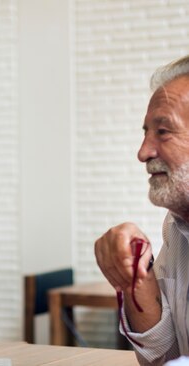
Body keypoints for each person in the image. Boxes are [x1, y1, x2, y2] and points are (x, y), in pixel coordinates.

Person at [95, 55, 189, 365]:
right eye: (145, 132)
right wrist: (136, 273)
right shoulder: (177, 227)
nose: (143, 152)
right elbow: (163, 358)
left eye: (163, 132)